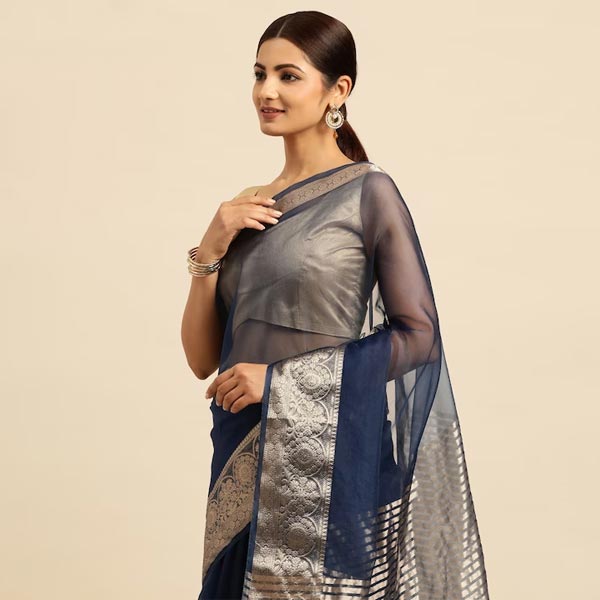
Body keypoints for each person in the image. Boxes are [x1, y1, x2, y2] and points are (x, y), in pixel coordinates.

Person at [181, 10, 490, 600]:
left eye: (288, 76)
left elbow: (420, 336)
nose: (267, 91)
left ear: (337, 90)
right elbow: (201, 360)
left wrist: (278, 382)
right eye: (259, 73)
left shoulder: (369, 192)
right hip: (241, 449)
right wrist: (210, 250)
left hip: (330, 455)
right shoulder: (245, 206)